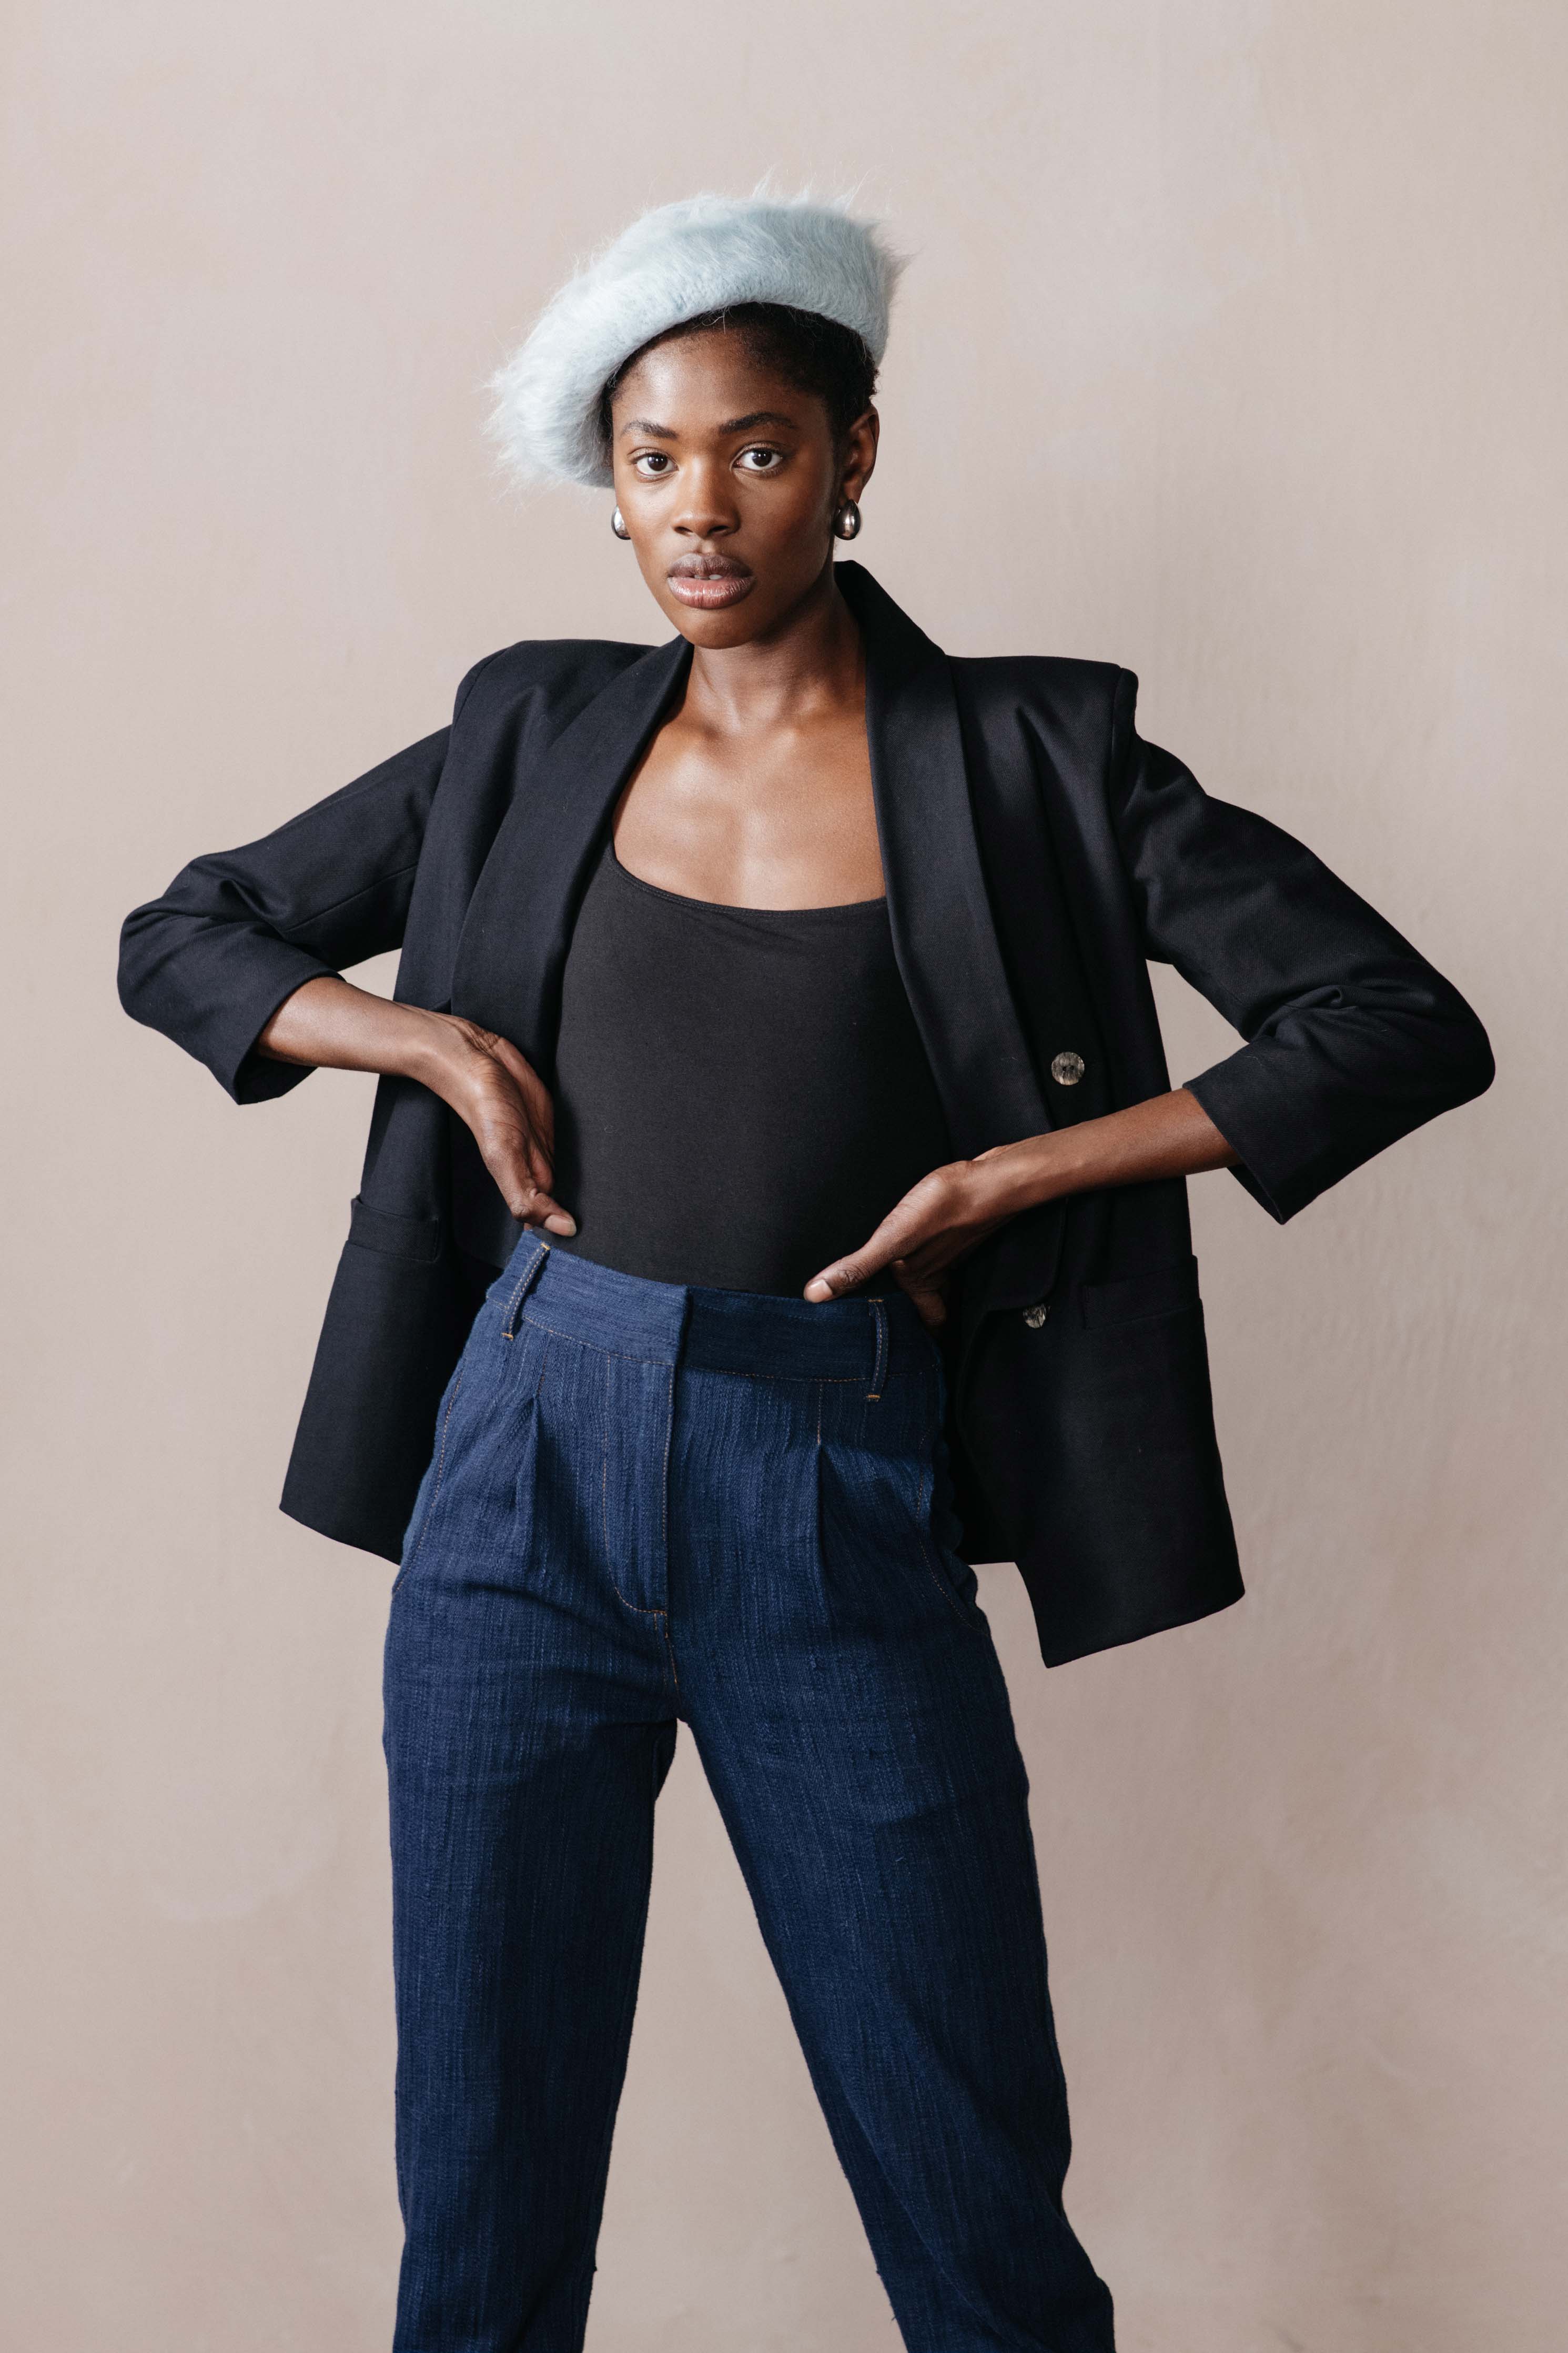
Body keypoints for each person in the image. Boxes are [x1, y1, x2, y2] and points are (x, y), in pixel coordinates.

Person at [118, 193, 1493, 2353]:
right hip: (518, 1468)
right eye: (653, 457)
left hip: (832, 1475)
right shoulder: (523, 732)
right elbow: (185, 933)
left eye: (757, 449)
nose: (701, 505)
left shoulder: (1036, 759)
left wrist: (1013, 1175)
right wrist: (426, 1040)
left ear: (854, 458)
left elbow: (1393, 1019)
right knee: (481, 2195)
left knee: (968, 2190)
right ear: (609, 487)